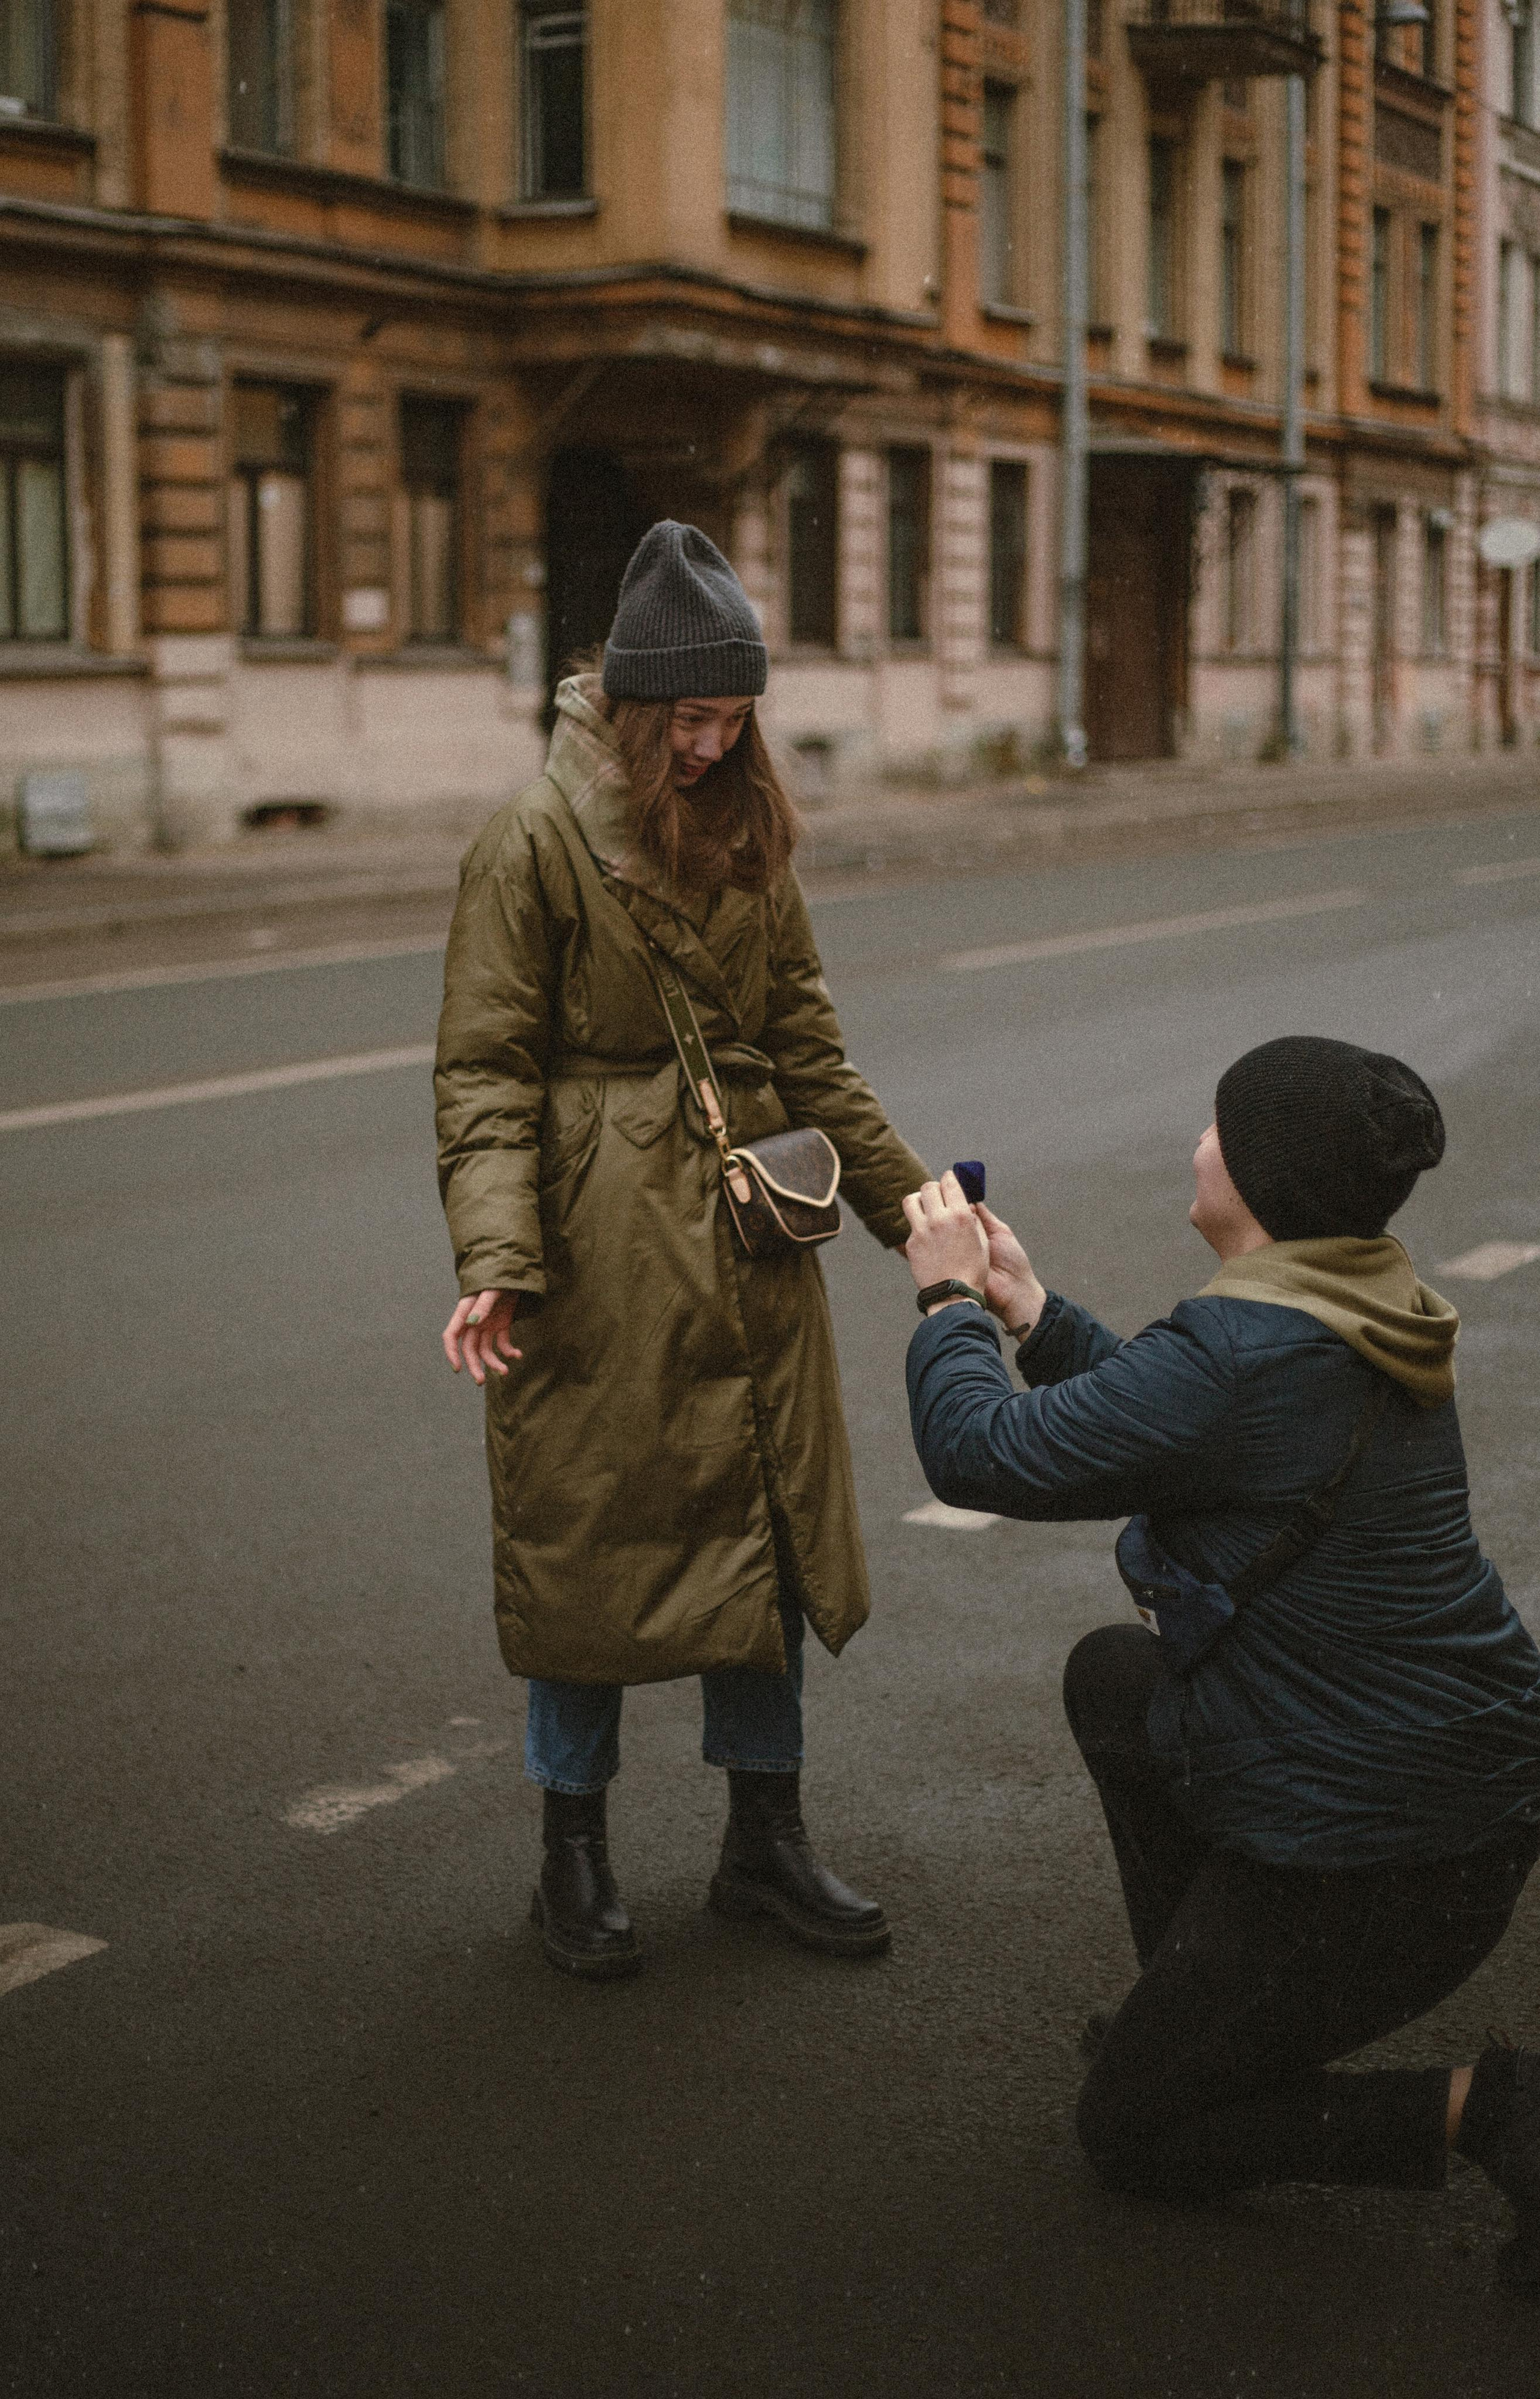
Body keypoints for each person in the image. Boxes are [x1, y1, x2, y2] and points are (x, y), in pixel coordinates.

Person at [901, 1036, 1540, 2291]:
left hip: (1383, 1853)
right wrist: (1028, 1311)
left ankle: (1488, 2110)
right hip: (1441, 1796)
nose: (1195, 1138)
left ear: (1251, 1172)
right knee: (1113, 1678)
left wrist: (945, 1303)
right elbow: (1175, 1422)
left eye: (1212, 1122)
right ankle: (1204, 2016)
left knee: (1132, 2131)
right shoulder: (1355, 1297)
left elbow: (977, 1451)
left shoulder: (1246, 1353)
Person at [434, 520, 927, 1981]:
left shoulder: (748, 835)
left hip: (748, 1240)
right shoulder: (530, 840)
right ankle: (567, 1853)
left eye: (733, 715)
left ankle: (760, 1841)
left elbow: (808, 1054)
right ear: (635, 709)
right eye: (691, 718)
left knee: (759, 1539)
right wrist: (495, 1254)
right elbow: (483, 1071)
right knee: (589, 1544)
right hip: (598, 1257)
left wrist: (919, 1217)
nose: (714, 744)